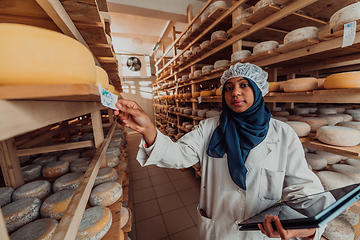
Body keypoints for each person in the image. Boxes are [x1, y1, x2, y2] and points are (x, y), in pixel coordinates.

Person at [114, 63, 333, 240]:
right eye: (229, 88)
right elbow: (178, 155)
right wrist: (148, 129)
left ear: (258, 91)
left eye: (244, 85)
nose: (235, 92)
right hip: (219, 230)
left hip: (262, 235)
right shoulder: (210, 128)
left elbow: (304, 189)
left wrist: (306, 228)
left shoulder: (283, 135)